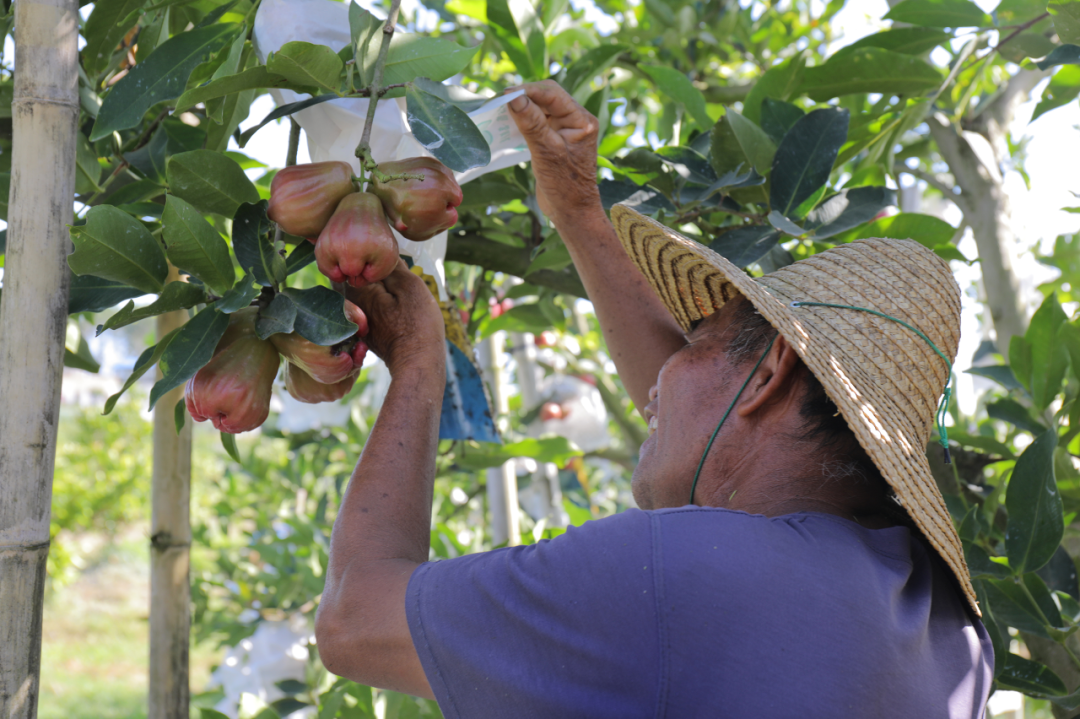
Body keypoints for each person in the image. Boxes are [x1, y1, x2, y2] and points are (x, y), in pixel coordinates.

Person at [316, 80, 993, 718]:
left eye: (694, 338)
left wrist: (418, 363)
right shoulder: (946, 627)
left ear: (767, 375)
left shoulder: (686, 579)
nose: (656, 386)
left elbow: (354, 619)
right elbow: (715, 433)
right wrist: (580, 212)